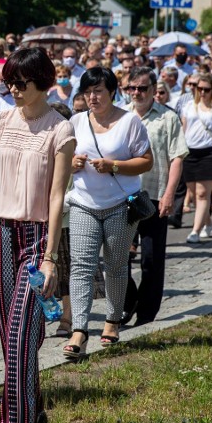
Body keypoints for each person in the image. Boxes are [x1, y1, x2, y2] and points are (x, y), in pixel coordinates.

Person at [0, 48, 74, 423]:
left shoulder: (60, 130)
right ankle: (31, 408)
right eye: (9, 82)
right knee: (10, 339)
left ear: (42, 82)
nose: (14, 89)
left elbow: (57, 197)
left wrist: (51, 256)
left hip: (36, 240)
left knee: (21, 334)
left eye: (22, 82)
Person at [67, 67, 153, 357]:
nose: (92, 97)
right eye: (88, 91)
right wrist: (72, 164)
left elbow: (146, 161)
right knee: (81, 266)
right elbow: (61, 161)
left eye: (99, 91)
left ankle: (112, 321)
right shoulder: (76, 121)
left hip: (119, 204)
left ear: (112, 92)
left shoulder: (129, 122)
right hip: (82, 203)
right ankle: (79, 329)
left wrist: (114, 165)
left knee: (115, 265)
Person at [123, 68, 187, 326]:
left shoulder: (168, 118)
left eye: (142, 88)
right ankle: (128, 301)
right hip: (122, 196)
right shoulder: (120, 115)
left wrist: (170, 194)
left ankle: (147, 312)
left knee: (151, 257)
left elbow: (177, 157)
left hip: (154, 195)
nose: (137, 93)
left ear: (153, 90)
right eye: (132, 88)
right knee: (117, 256)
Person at [180, 73, 212, 243]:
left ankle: (195, 230)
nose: (202, 92)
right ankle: (207, 222)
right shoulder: (189, 106)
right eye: (199, 88)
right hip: (190, 151)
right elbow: (183, 129)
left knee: (202, 194)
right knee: (194, 194)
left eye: (206, 89)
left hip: (210, 152)